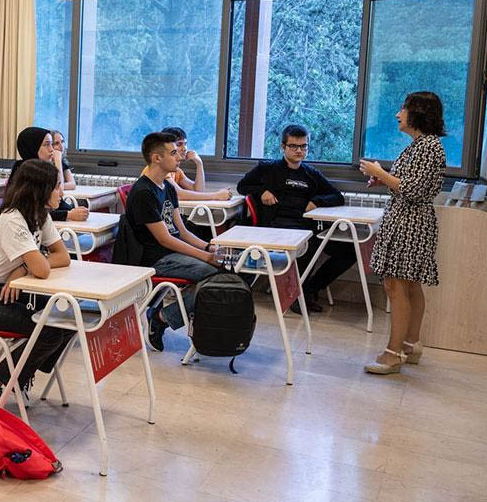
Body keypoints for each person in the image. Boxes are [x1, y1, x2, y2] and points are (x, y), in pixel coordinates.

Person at [0, 159, 76, 403]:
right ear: (40, 190)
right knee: (49, 330)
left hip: (6, 291)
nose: (61, 192)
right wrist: (28, 267)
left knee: (68, 318)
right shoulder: (13, 219)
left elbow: (63, 257)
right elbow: (42, 269)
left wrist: (22, 269)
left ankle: (17, 378)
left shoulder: (40, 214)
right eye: (56, 187)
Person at [359, 92, 447, 375]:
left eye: (403, 109)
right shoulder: (420, 145)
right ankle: (410, 344)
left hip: (410, 224)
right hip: (408, 220)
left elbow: (413, 189)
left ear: (417, 113)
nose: (398, 114)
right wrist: (382, 180)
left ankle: (393, 353)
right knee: (409, 286)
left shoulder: (428, 147)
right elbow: (409, 183)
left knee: (396, 286)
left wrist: (380, 172)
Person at [120, 132, 223, 351]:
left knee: (222, 271)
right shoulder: (143, 192)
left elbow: (181, 231)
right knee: (215, 278)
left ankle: (177, 318)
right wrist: (206, 257)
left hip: (171, 253)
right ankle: (161, 318)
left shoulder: (167, 187)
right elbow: (165, 239)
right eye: (173, 153)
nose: (179, 157)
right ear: (157, 158)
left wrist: (208, 247)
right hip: (155, 258)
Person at [236, 124, 351, 313]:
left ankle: (309, 289)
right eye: (294, 146)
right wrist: (262, 191)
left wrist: (316, 201)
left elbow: (337, 196)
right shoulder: (267, 168)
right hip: (277, 226)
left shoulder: (311, 174)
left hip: (306, 225)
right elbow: (242, 186)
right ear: (283, 147)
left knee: (347, 251)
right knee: (310, 243)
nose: (299, 150)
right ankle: (298, 296)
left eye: (303, 146)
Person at [11, 126, 88, 222]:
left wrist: (73, 211)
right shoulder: (25, 172)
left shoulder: (43, 170)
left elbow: (59, 202)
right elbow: (32, 212)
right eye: (47, 145)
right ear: (33, 147)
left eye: (51, 144)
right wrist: (68, 214)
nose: (52, 150)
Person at [144, 126, 231, 201]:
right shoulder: (159, 168)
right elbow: (178, 195)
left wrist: (199, 164)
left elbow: (198, 191)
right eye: (179, 144)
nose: (184, 148)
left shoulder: (176, 171)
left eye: (185, 144)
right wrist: (216, 195)